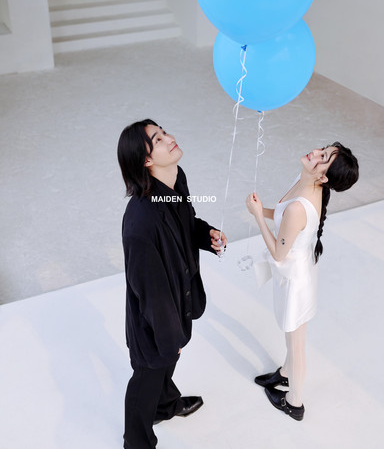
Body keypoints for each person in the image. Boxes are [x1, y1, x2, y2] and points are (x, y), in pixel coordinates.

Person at [117, 119, 227, 448]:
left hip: (179, 301)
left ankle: (165, 406)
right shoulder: (140, 223)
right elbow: (150, 293)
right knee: (147, 377)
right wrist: (168, 338)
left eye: (164, 132)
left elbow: (185, 223)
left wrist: (206, 235)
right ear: (146, 160)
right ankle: (136, 440)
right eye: (158, 139)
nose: (169, 138)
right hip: (154, 319)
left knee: (167, 364)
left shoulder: (176, 179)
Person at [246, 142, 359, 421]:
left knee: (296, 342)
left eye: (323, 157)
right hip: (298, 272)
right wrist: (263, 210)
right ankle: (286, 373)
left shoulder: (301, 204)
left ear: (323, 177)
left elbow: (278, 252)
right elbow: (284, 216)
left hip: (294, 282)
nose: (315, 153)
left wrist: (258, 216)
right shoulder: (305, 179)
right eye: (323, 149)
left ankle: (294, 403)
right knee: (292, 335)